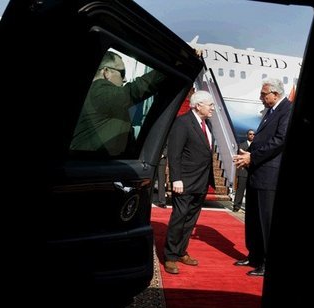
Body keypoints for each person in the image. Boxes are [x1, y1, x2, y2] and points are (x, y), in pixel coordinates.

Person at [232, 78, 293, 277]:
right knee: (253, 218)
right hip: (257, 172)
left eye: (264, 93)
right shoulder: (270, 112)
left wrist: (252, 156)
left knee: (266, 220)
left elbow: (280, 140)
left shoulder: (287, 110)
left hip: (269, 174)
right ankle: (255, 255)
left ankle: (267, 262)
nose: (261, 97)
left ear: (275, 94)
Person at [70, 51, 166, 154]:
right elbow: (134, 91)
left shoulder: (99, 96)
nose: (125, 79)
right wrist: (167, 69)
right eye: (122, 73)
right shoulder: (98, 90)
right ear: (106, 72)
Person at [163, 90, 216, 274]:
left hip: (201, 182)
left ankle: (181, 251)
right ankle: (170, 256)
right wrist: (176, 178)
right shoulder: (182, 122)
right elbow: (174, 153)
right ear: (198, 105)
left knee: (190, 220)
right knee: (179, 218)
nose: (213, 108)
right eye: (210, 105)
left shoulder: (206, 124)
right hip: (184, 181)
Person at [233, 129, 255, 212]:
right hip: (243, 171)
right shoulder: (242, 145)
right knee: (240, 190)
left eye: (253, 134)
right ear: (247, 135)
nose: (252, 135)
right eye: (250, 134)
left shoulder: (257, 146)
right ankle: (236, 206)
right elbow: (241, 158)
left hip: (252, 172)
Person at [155, 143, 168, 208]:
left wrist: (163, 154)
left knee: (161, 181)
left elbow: (168, 146)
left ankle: (162, 202)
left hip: (161, 160)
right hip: (151, 160)